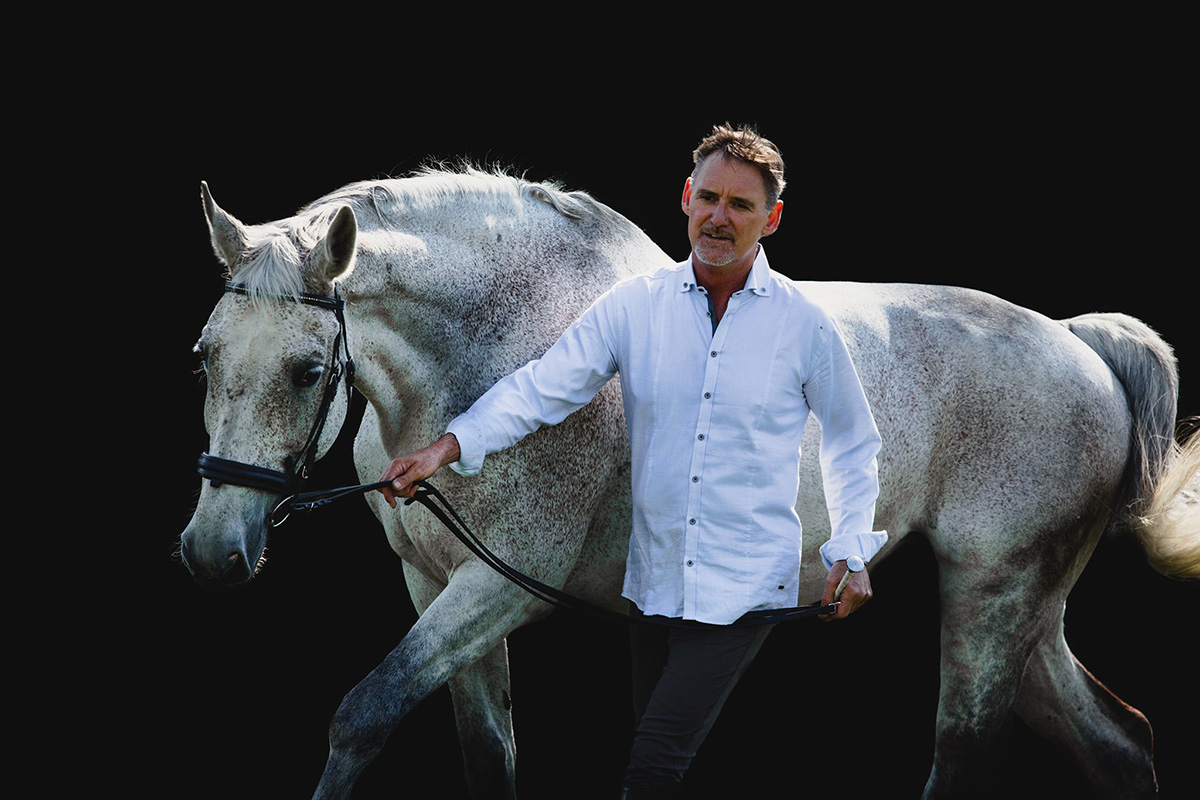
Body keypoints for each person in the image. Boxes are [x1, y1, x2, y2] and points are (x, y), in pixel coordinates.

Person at [379, 124, 886, 798]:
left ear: (773, 218)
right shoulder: (634, 307)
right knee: (662, 755)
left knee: (649, 770)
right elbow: (541, 387)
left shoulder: (803, 323)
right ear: (685, 197)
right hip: (652, 586)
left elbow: (852, 437)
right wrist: (446, 448)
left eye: (741, 205)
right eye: (709, 197)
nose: (719, 217)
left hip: (741, 589)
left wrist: (852, 548)